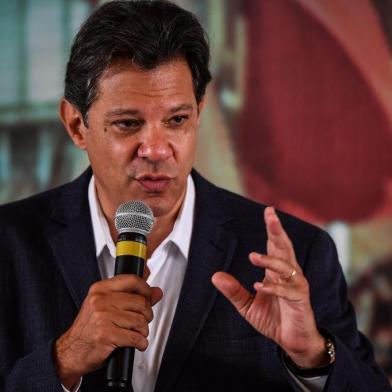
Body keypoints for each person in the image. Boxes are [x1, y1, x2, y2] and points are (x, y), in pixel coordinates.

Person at [0, 1, 389, 391]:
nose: (156, 148)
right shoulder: (9, 244)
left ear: (199, 112)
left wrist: (311, 355)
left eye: (177, 120)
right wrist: (65, 358)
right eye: (128, 123)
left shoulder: (295, 254)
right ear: (76, 125)